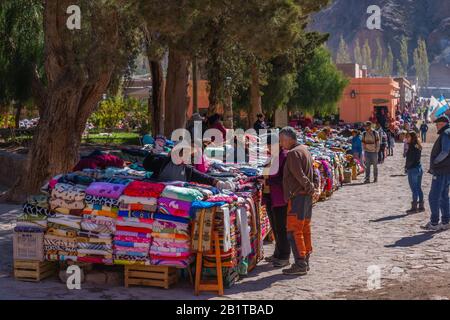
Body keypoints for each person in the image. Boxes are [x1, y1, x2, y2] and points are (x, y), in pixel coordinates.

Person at [279, 127, 316, 276]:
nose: (281, 144)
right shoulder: (304, 149)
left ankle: (300, 263)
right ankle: (305, 259)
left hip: (298, 196)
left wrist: (309, 187)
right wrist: (311, 189)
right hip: (305, 196)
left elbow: (300, 175)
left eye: (282, 140)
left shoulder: (293, 153)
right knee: (305, 228)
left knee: (294, 230)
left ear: (289, 139)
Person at [262, 134, 290, 268]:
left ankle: (284, 256)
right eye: (267, 145)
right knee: (274, 226)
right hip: (270, 196)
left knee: (281, 228)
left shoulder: (284, 156)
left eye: (270, 145)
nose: (268, 147)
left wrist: (268, 181)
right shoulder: (272, 156)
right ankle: (277, 253)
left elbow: (284, 178)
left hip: (279, 197)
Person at [422, 115, 450, 231]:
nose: (436, 126)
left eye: (438, 124)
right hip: (446, 170)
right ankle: (446, 221)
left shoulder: (445, 133)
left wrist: (435, 161)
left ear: (443, 123)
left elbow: (445, 151)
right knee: (443, 196)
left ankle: (434, 222)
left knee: (433, 196)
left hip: (441, 170)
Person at [404, 131, 425, 214]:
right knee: (419, 188)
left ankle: (414, 207)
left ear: (412, 137)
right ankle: (421, 206)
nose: (406, 138)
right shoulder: (418, 145)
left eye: (408, 137)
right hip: (419, 168)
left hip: (413, 169)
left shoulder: (412, 146)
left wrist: (406, 167)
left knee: (414, 189)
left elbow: (410, 160)